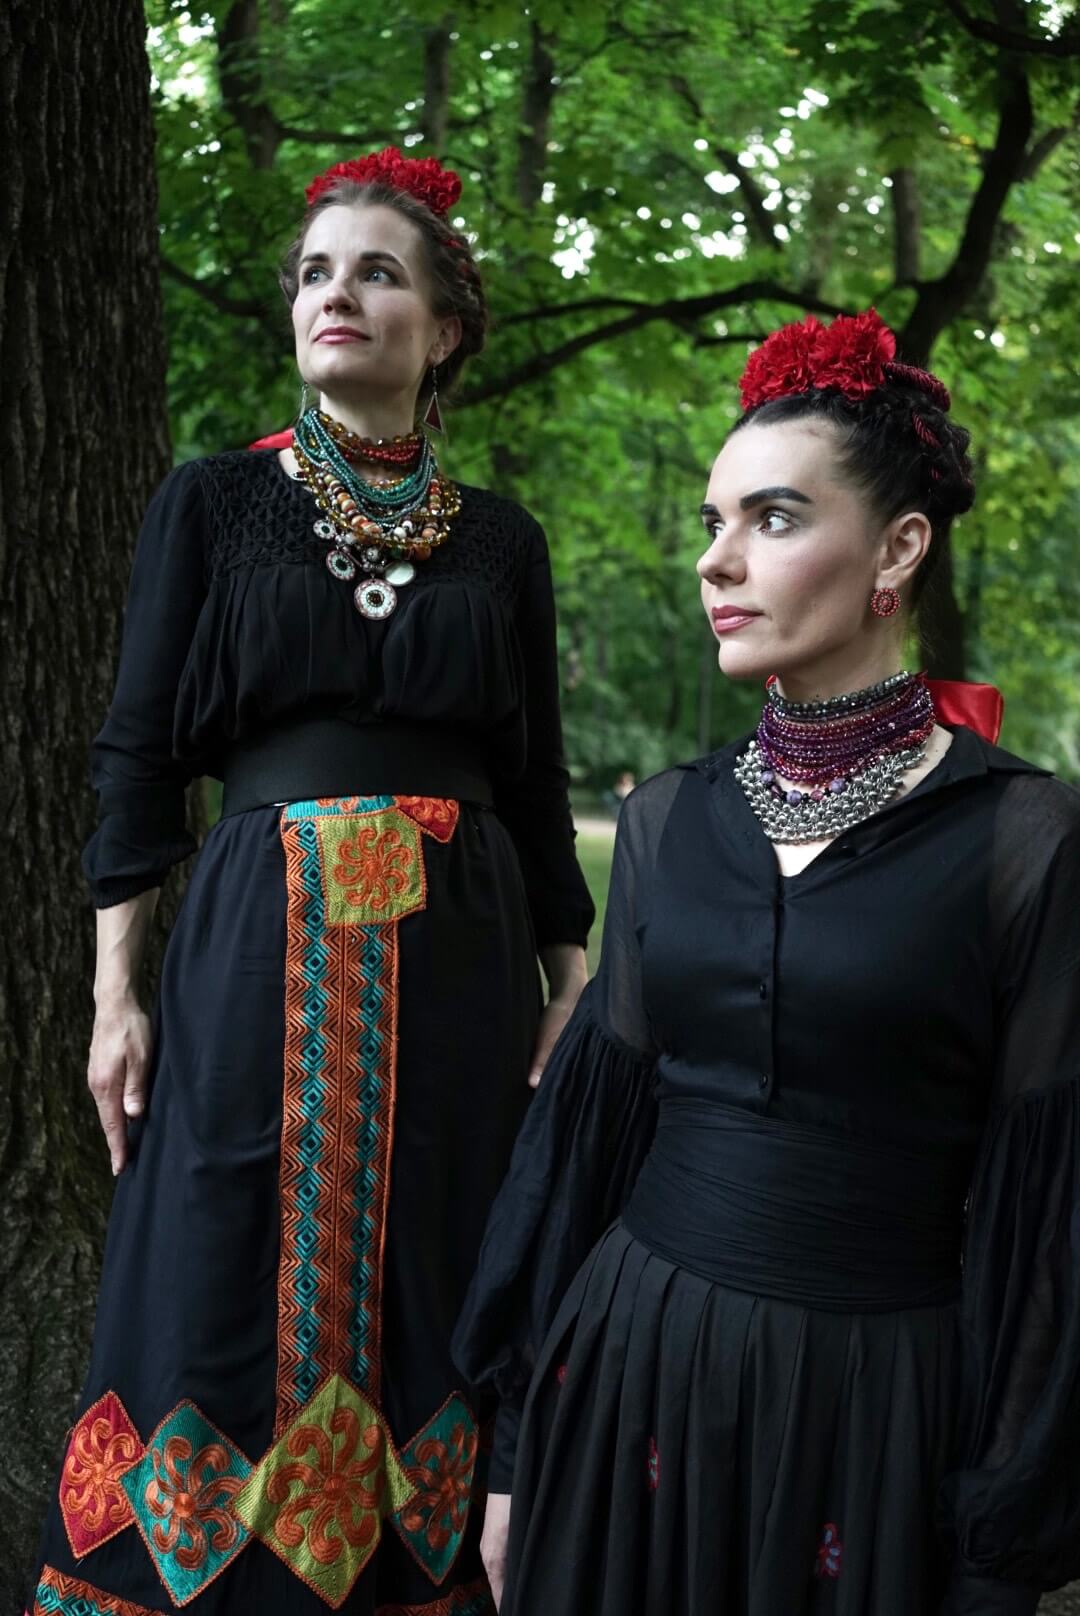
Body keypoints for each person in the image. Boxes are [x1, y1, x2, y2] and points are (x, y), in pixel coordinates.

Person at [27, 148, 592, 1616]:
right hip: (254, 939)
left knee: (437, 1238)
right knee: (222, 1231)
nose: (336, 294)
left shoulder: (503, 542)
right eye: (316, 274)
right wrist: (114, 996)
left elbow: (536, 779)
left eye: (377, 273)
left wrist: (569, 981)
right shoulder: (214, 504)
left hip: (461, 955)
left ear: (444, 330)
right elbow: (139, 756)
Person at [453, 310, 1080, 1616]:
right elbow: (587, 1155)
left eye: (774, 519)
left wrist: (999, 1549)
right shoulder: (667, 822)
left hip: (875, 1418)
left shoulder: (1026, 841)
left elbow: (1046, 1217)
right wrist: (513, 1458)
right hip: (631, 1382)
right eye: (711, 521)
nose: (716, 560)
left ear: (898, 548)